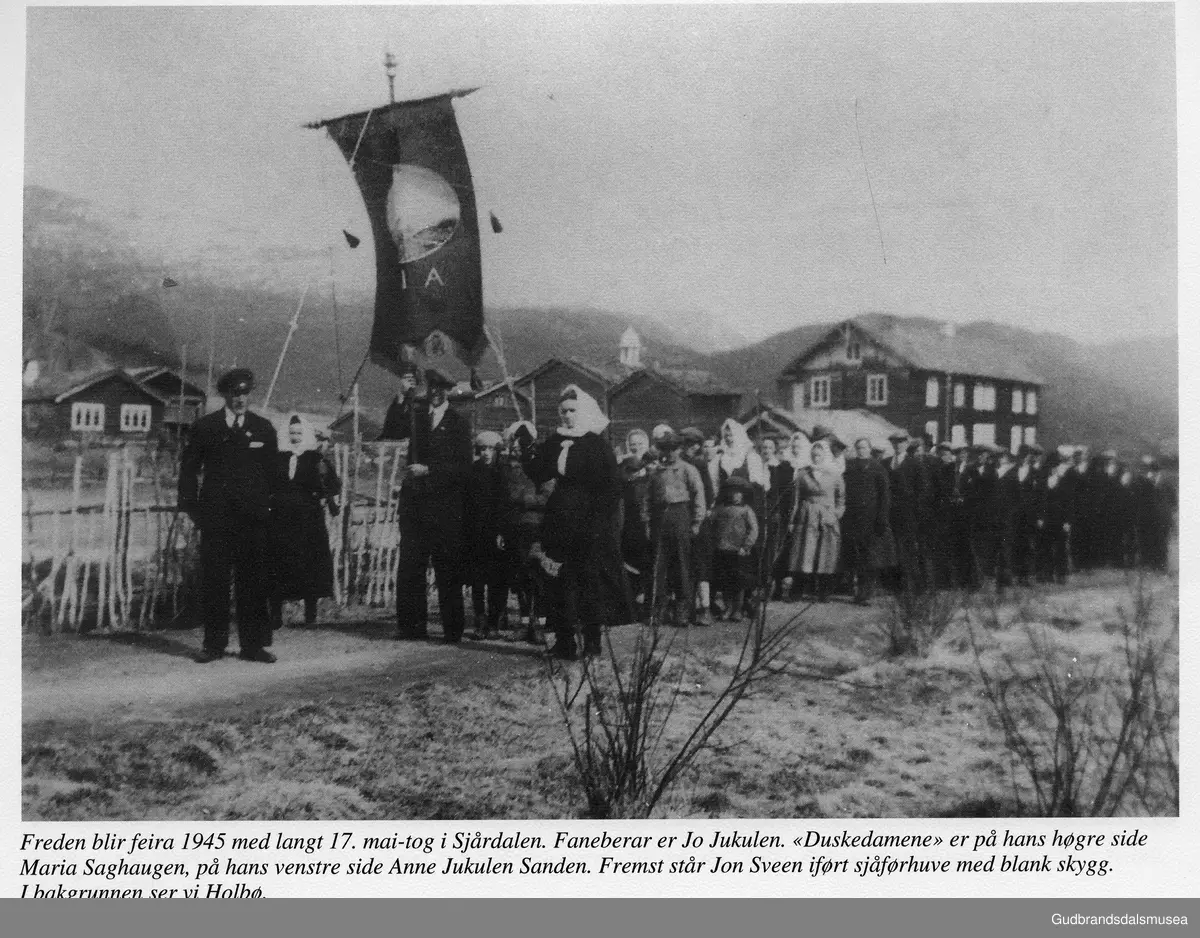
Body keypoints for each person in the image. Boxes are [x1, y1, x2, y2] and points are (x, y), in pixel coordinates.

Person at [178, 368, 279, 663]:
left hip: (253, 520)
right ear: (225, 395)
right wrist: (193, 510)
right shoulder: (206, 428)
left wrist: (270, 509)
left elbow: (274, 474)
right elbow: (189, 470)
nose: (240, 399)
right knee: (216, 581)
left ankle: (253, 646)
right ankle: (214, 645)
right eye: (235, 394)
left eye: (245, 394)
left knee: (253, 581)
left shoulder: (263, 428)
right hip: (217, 519)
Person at [522, 386, 628, 659]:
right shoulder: (555, 441)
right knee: (558, 579)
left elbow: (612, 487)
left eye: (573, 411)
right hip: (560, 516)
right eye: (564, 411)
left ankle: (592, 641)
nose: (568, 416)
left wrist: (599, 522)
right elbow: (538, 472)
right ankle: (565, 640)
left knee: (588, 579)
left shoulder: (596, 445)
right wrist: (526, 448)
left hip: (589, 520)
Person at [394, 368, 473, 643]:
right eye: (431, 388)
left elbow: (463, 468)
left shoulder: (458, 424)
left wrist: (429, 470)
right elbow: (392, 428)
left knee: (447, 568)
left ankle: (453, 629)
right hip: (414, 505)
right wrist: (403, 395)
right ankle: (411, 626)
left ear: (448, 390)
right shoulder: (416, 418)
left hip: (444, 508)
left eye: (441, 388)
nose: (435, 393)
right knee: (410, 566)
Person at [267, 413, 340, 631]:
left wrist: (323, 480)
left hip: (308, 520)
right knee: (278, 564)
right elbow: (268, 484)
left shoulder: (315, 459)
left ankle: (310, 615)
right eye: (292, 433)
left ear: (306, 434)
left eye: (299, 433)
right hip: (281, 519)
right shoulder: (278, 458)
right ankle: (276, 616)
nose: (295, 437)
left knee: (309, 564)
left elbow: (334, 485)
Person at [708, 419, 769, 609]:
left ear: (740, 435)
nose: (729, 438)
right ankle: (728, 602)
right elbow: (715, 487)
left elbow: (758, 488)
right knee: (725, 558)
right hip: (725, 514)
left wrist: (751, 511)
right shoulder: (719, 459)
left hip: (746, 511)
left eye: (732, 434)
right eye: (726, 435)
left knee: (747, 557)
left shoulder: (751, 458)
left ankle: (748, 601)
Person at [649, 430, 707, 625]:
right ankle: (659, 609)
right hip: (660, 519)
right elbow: (647, 499)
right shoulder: (655, 472)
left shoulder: (688, 470)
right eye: (665, 449)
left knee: (682, 564)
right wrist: (647, 522)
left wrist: (697, 522)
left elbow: (699, 496)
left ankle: (682, 610)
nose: (669, 453)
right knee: (660, 565)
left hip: (680, 515)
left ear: (679, 449)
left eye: (673, 449)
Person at [500, 421, 547, 643]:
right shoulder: (507, 468)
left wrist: (523, 499)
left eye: (522, 443)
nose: (517, 447)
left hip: (535, 527)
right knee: (519, 577)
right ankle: (525, 622)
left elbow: (548, 496)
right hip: (514, 527)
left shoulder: (540, 467)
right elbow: (501, 498)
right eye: (514, 443)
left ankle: (539, 624)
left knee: (536, 575)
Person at [783, 439, 845, 602]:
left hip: (827, 517)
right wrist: (792, 520)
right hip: (806, 516)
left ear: (825, 455)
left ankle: (823, 593)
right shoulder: (803, 473)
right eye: (814, 455)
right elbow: (795, 499)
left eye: (819, 455)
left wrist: (836, 514)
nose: (816, 458)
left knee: (825, 553)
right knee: (803, 553)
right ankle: (797, 591)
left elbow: (841, 498)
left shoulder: (835, 474)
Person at [841, 437, 892, 604]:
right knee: (855, 555)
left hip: (871, 518)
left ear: (869, 449)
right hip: (853, 518)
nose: (861, 450)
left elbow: (884, 495)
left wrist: (882, 517)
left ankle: (866, 592)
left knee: (869, 556)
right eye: (858, 448)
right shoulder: (850, 467)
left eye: (864, 448)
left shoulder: (877, 468)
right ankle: (856, 589)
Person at [466, 430, 508, 637]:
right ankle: (480, 621)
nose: (486, 453)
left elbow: (505, 505)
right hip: (475, 533)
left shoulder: (503, 472)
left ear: (498, 451)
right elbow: (465, 504)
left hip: (497, 534)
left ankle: (494, 623)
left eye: (491, 449)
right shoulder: (472, 472)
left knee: (497, 580)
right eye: (483, 449)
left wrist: (501, 531)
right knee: (477, 580)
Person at [680, 426, 717, 624]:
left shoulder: (700, 465)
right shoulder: (677, 464)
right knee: (685, 564)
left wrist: (700, 516)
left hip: (699, 519)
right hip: (682, 517)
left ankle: (704, 608)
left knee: (700, 564)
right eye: (685, 444)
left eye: (692, 444)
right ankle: (687, 607)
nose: (688, 448)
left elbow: (708, 492)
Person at [711, 476, 759, 621]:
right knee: (725, 581)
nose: (734, 496)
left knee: (739, 581)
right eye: (732, 493)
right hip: (722, 549)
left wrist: (746, 546)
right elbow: (712, 525)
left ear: (743, 494)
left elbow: (753, 530)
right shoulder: (720, 509)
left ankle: (738, 610)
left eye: (738, 493)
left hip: (738, 551)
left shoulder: (746, 510)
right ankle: (727, 607)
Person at [619, 429, 655, 613]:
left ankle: (648, 600)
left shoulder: (652, 468)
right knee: (630, 558)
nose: (636, 447)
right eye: (632, 444)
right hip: (629, 520)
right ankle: (633, 599)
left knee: (648, 559)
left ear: (647, 445)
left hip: (647, 520)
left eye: (640, 444)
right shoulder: (624, 467)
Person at [377, 364, 421, 442]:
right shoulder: (398, 398)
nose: (409, 381)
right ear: (402, 381)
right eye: (406, 378)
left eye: (412, 378)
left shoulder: (418, 400)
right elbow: (390, 422)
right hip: (393, 439)